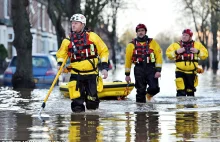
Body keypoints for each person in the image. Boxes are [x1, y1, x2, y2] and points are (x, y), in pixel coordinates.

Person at [56, 14, 109, 113]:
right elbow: (61, 54)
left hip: (91, 74)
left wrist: (105, 68)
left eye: (76, 23)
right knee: (77, 105)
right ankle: (77, 124)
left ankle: (93, 125)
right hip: (76, 75)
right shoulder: (67, 41)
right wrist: (59, 63)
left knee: (92, 104)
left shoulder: (93, 37)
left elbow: (104, 51)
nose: (73, 25)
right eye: (72, 23)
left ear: (82, 24)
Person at [125, 24, 163, 103]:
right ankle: (140, 112)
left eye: (142, 30)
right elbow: (128, 60)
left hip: (151, 68)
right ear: (136, 33)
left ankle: (148, 95)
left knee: (155, 88)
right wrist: (127, 75)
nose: (140, 32)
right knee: (140, 92)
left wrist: (158, 70)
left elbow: (158, 57)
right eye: (139, 31)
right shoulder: (131, 45)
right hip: (139, 69)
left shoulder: (153, 43)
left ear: (145, 31)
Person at [166, 29, 208, 97]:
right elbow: (168, 55)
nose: (184, 36)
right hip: (180, 72)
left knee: (190, 92)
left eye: (186, 35)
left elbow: (205, 55)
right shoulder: (175, 45)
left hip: (192, 73)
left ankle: (191, 106)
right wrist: (177, 52)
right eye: (183, 35)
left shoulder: (197, 45)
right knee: (180, 92)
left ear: (190, 37)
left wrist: (198, 51)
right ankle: (180, 106)